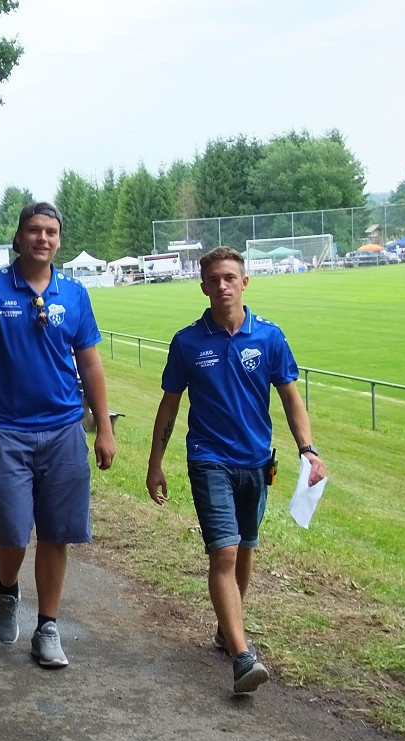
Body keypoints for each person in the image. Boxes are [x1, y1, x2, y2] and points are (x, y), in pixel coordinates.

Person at [145, 245, 327, 694]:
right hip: (208, 458)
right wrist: (155, 462)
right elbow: (169, 405)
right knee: (223, 552)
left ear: (244, 282)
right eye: (214, 279)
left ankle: (228, 630)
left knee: (245, 549)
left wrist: (308, 448)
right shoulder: (188, 342)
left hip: (257, 462)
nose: (222, 285)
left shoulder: (269, 337)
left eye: (230, 277)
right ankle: (243, 657)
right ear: (203, 286)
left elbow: (289, 397)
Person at [0, 201, 116, 669]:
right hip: (9, 431)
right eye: (34, 231)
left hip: (64, 429)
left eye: (51, 232)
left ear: (58, 240)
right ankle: (7, 591)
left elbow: (90, 363)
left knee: (57, 533)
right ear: (19, 237)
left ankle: (47, 627)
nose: (43, 239)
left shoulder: (75, 294)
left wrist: (103, 427)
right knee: (12, 530)